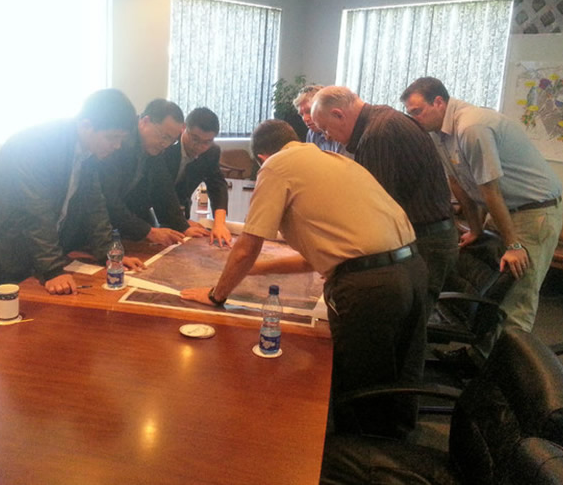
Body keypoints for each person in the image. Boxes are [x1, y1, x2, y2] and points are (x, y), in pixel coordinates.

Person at [181, 119, 427, 438]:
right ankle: (397, 450)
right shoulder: (333, 161)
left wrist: (217, 294)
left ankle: (353, 457)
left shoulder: (277, 165)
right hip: (412, 268)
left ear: (261, 157)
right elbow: (319, 257)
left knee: (357, 386)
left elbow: (248, 245)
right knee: (399, 379)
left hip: (370, 286)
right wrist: (255, 270)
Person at [400, 77, 563, 356]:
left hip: (532, 212)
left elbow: (491, 190)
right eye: (410, 113)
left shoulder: (471, 126)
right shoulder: (438, 132)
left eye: (417, 111)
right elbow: (458, 183)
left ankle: (503, 372)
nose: (413, 119)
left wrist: (513, 245)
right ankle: (481, 357)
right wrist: (475, 229)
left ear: (438, 102)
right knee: (492, 293)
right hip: (502, 210)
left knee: (517, 298)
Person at [0, 88, 145, 295]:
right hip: (3, 242)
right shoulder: (38, 144)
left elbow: (94, 205)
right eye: (112, 137)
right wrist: (52, 270)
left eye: (121, 139)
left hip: (33, 245)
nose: (117, 146)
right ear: (86, 125)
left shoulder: (87, 151)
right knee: (17, 306)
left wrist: (109, 254)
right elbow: (36, 211)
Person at [311, 86, 457, 310]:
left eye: (325, 129)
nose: (327, 136)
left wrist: (341, 260)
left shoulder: (377, 135)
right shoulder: (382, 120)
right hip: (427, 237)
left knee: (405, 323)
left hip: (426, 243)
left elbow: (376, 211)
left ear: (338, 114)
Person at [99, 98, 209, 247]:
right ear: (145, 122)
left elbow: (163, 189)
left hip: (125, 223)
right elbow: (109, 200)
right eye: (164, 136)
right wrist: (147, 231)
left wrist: (183, 227)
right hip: (100, 225)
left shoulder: (153, 148)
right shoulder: (119, 143)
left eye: (172, 140)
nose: (165, 144)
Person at [162, 107, 233, 247]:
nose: (200, 146)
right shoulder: (167, 146)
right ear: (183, 128)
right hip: (151, 212)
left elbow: (217, 185)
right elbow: (159, 191)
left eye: (207, 141)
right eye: (195, 139)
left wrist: (219, 224)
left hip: (180, 211)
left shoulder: (211, 152)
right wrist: (181, 223)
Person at [292, 85, 351, 157]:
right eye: (301, 114)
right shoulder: (312, 133)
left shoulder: (340, 132)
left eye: (309, 111)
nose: (305, 118)